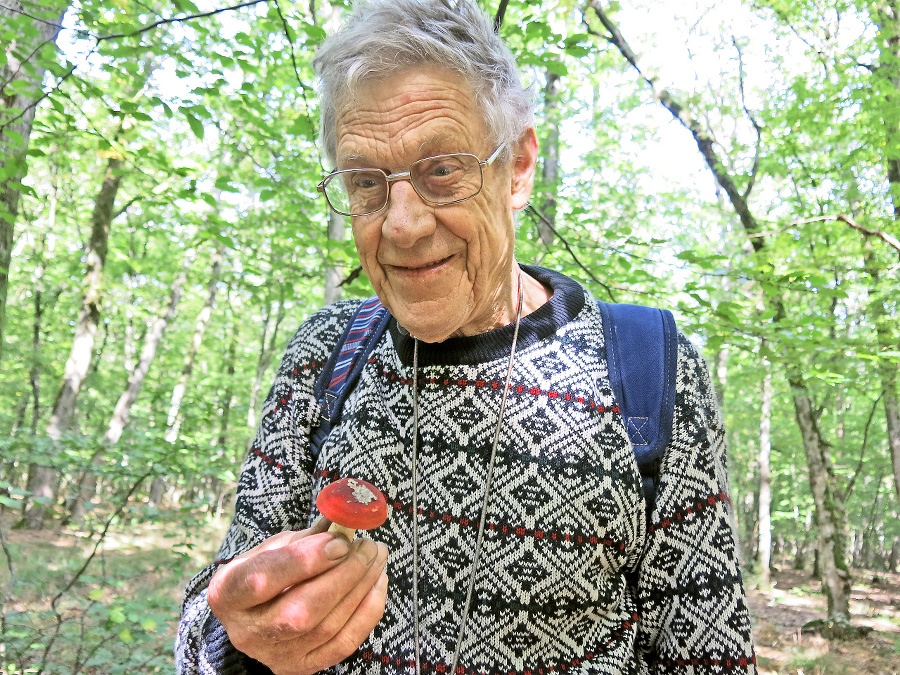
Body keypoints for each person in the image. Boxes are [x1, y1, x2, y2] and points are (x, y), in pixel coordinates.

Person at [176, 0, 757, 672]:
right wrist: (237, 638)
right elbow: (207, 617)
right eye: (366, 181)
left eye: (443, 169)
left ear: (516, 167)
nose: (402, 223)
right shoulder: (324, 357)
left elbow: (710, 654)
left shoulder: (647, 370)